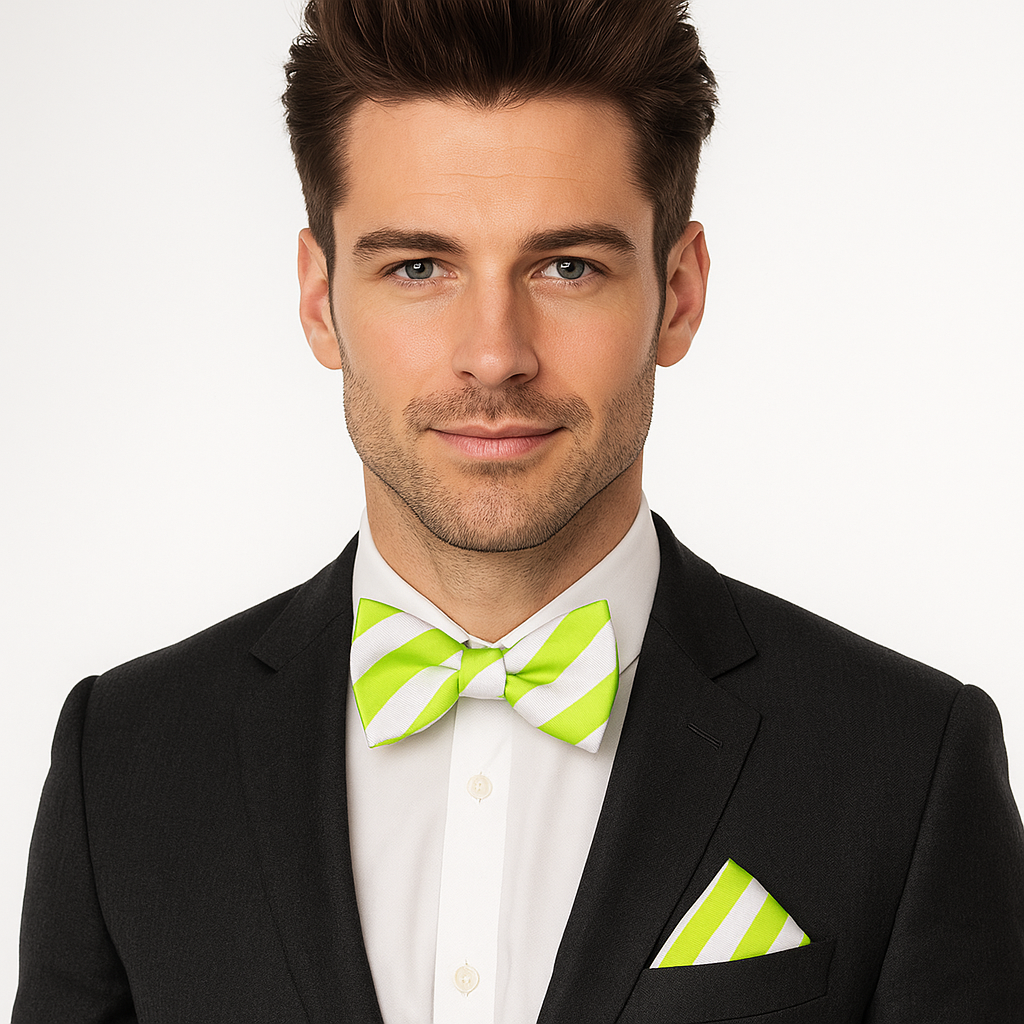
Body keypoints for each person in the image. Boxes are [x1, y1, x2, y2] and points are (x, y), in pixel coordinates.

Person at [13, 0, 1023, 1021]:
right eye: (418, 267)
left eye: (567, 267)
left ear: (677, 293)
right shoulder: (127, 762)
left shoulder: (907, 763)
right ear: (320, 299)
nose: (494, 353)